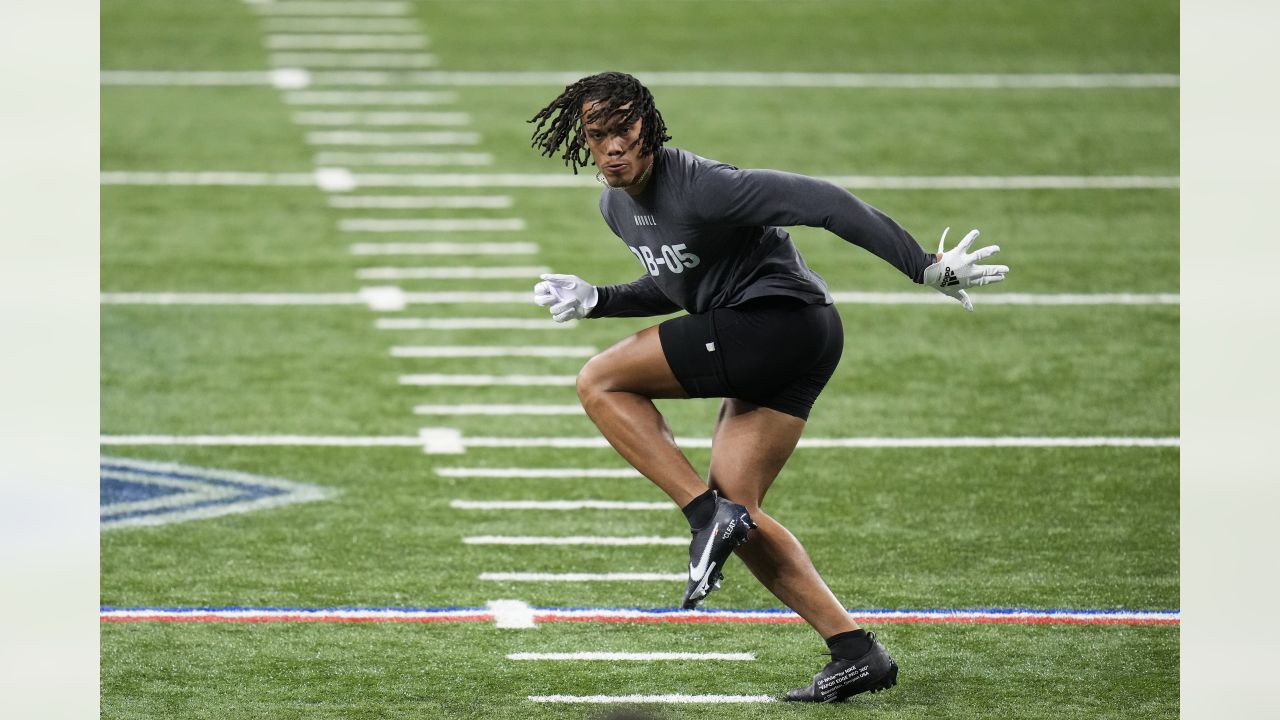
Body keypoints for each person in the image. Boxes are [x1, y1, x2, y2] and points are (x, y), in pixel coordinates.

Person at [528, 71, 1007, 703]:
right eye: (599, 134)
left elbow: (827, 202)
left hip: (775, 327)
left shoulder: (701, 184)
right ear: (583, 140)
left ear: (648, 127)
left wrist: (922, 265)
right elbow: (683, 285)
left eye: (624, 130)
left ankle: (703, 516)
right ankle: (857, 652)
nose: (613, 145)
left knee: (600, 382)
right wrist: (599, 299)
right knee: (743, 511)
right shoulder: (616, 207)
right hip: (795, 338)